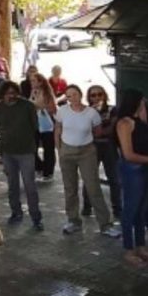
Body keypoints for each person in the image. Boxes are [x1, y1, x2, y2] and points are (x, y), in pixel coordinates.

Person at [55, 85, 119, 237]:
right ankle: (73, 221)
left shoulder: (92, 113)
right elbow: (57, 129)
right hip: (67, 152)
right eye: (69, 96)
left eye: (75, 94)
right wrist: (60, 149)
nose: (72, 98)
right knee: (70, 188)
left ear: (80, 94)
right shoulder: (62, 111)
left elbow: (97, 132)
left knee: (93, 187)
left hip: (86, 152)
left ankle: (105, 224)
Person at [0, 81, 43, 230]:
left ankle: (36, 217)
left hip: (26, 151)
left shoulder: (27, 106)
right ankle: (16, 212)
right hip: (8, 151)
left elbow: (35, 126)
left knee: (30, 185)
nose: (11, 96)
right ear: (3, 94)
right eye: (8, 93)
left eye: (14, 93)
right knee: (12, 185)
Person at [115, 89, 148, 267]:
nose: (145, 103)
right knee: (130, 210)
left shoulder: (140, 121)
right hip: (133, 170)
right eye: (142, 101)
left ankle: (141, 246)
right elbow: (128, 154)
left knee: (142, 210)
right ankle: (129, 249)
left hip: (144, 168)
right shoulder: (125, 123)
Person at [83, 85, 121, 218]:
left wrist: (97, 129)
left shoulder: (113, 109)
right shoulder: (86, 111)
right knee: (89, 177)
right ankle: (87, 207)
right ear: (89, 98)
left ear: (104, 95)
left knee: (115, 178)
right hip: (92, 147)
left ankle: (117, 208)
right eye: (93, 95)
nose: (97, 97)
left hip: (109, 146)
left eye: (100, 94)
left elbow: (110, 129)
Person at [30, 73, 57, 182]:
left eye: (34, 81)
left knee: (48, 148)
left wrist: (40, 107)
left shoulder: (47, 93)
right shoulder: (33, 92)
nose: (32, 83)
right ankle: (40, 167)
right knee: (32, 147)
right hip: (35, 123)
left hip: (46, 123)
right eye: (31, 81)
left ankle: (48, 172)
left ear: (40, 82)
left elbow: (52, 109)